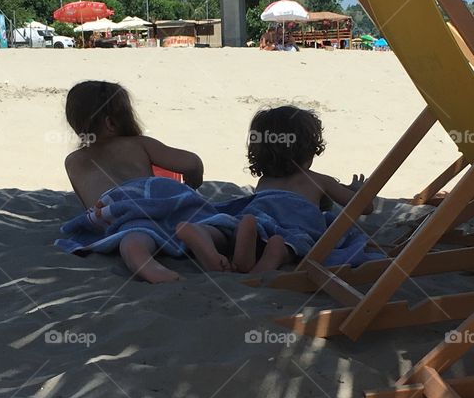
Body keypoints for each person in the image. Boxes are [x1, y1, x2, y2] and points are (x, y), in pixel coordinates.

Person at [60, 81, 232, 283]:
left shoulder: (73, 162)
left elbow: (91, 207)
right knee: (207, 222)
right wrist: (193, 182)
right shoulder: (138, 144)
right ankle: (202, 237)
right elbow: (191, 163)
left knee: (132, 238)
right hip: (155, 195)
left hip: (116, 208)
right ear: (111, 123)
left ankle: (150, 267)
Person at [226, 106, 375, 272]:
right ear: (309, 149)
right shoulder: (319, 180)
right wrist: (357, 189)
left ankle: (247, 247)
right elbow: (364, 207)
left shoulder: (265, 181)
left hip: (260, 215)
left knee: (261, 231)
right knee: (296, 241)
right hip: (297, 223)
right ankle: (279, 252)